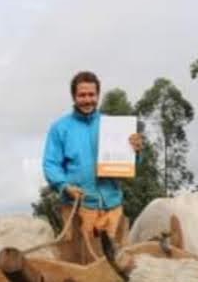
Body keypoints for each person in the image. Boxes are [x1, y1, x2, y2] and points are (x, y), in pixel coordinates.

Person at [42, 70, 143, 254]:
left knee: (118, 265)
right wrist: (64, 186)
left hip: (113, 206)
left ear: (98, 95)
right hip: (77, 207)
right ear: (74, 96)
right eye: (82, 95)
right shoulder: (60, 128)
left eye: (91, 95)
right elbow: (51, 164)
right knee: (78, 266)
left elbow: (130, 164)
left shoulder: (112, 125)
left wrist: (134, 151)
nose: (87, 100)